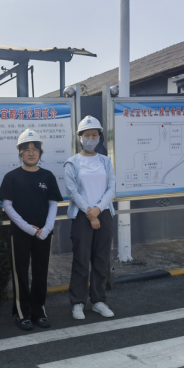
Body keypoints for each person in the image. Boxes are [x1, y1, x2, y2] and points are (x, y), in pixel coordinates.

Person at [0, 129, 62, 331]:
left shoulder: (48, 176)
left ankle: (38, 311)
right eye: (27, 149)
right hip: (20, 234)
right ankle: (22, 313)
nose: (31, 153)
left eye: (35, 149)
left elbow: (53, 204)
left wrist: (47, 228)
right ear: (20, 152)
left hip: (44, 233)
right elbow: (7, 206)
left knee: (41, 273)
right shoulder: (12, 177)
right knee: (21, 273)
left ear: (40, 152)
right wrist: (26, 227)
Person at [64, 115, 116, 320]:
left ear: (100, 137)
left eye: (95, 135)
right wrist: (90, 212)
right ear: (80, 137)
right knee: (81, 259)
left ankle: (98, 300)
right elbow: (72, 192)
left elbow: (111, 188)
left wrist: (98, 210)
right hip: (82, 215)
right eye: (87, 135)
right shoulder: (72, 163)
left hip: (103, 214)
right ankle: (77, 302)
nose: (91, 138)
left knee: (102, 259)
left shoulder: (105, 161)